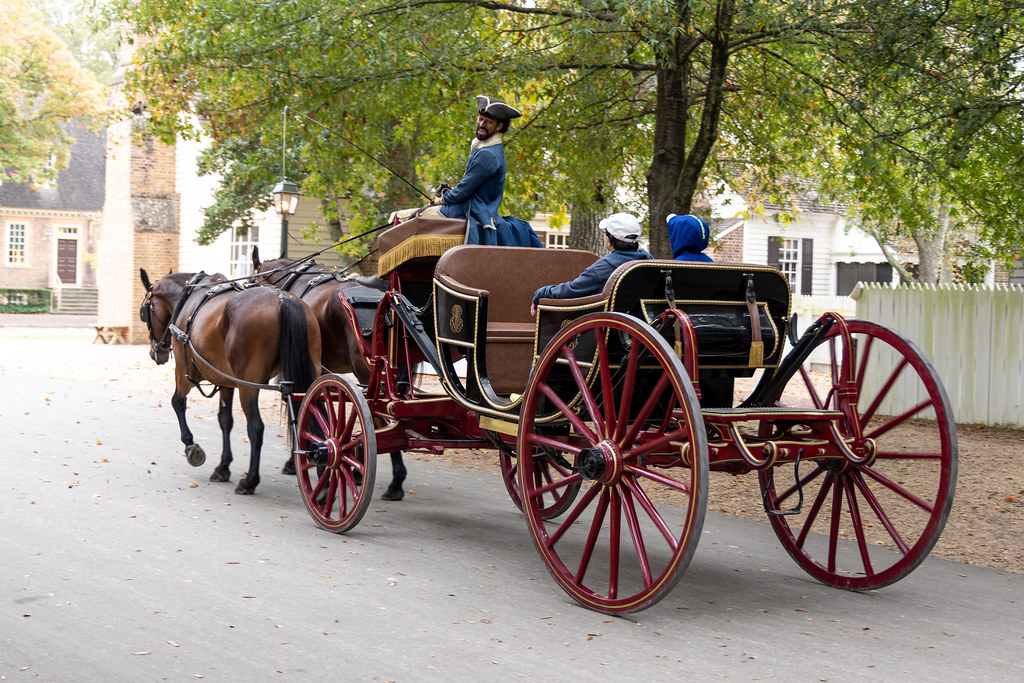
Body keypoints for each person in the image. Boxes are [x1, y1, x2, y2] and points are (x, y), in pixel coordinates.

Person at [391, 94, 541, 248]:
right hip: (470, 207)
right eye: (480, 119)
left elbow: (463, 191)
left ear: (499, 127)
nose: (482, 124)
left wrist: (440, 199)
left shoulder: (487, 154)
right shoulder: (488, 149)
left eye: (488, 122)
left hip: (471, 211)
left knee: (402, 217)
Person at [531, 212, 652, 315]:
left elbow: (571, 291)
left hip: (610, 330)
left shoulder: (604, 268)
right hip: (647, 327)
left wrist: (541, 292)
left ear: (609, 240)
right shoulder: (651, 264)